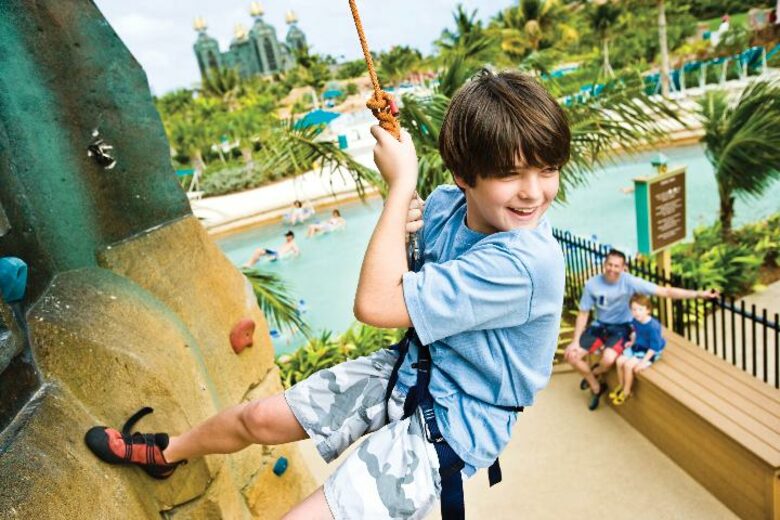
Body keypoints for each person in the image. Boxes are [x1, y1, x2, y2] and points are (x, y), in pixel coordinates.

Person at [84, 70, 569, 519]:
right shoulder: (445, 204)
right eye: (510, 173)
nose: (534, 192)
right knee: (259, 418)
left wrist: (400, 185)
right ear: (465, 176)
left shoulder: (526, 263)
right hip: (415, 368)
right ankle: (165, 453)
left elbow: (376, 305)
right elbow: (408, 268)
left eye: (547, 169)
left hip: (459, 419)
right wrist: (404, 210)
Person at [563, 249, 718, 411]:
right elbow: (583, 313)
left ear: (624, 268)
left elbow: (666, 291)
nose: (612, 269)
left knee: (608, 360)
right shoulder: (592, 284)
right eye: (609, 264)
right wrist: (575, 342)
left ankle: (594, 373)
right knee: (572, 356)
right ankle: (596, 387)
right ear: (604, 264)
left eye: (617, 266)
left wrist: (700, 294)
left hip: (622, 327)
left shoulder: (630, 282)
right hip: (600, 325)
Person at [610, 294, 665, 405]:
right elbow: (636, 332)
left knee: (628, 365)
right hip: (638, 346)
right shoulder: (635, 320)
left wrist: (643, 363)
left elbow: (654, 347)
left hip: (649, 350)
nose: (636, 312)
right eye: (634, 309)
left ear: (648, 310)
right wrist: (632, 342)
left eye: (640, 309)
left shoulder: (652, 326)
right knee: (619, 361)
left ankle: (626, 392)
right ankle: (621, 385)